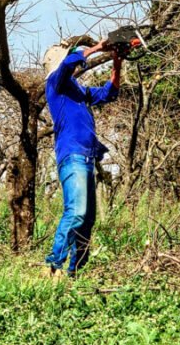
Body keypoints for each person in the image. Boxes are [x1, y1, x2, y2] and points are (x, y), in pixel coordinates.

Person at [42, 38, 123, 278]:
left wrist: (117, 61)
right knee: (76, 212)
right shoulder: (55, 83)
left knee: (87, 221)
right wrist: (98, 47)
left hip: (87, 159)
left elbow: (109, 94)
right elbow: (69, 64)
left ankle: (74, 274)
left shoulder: (78, 91)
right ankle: (53, 266)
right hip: (73, 157)